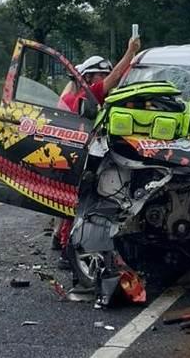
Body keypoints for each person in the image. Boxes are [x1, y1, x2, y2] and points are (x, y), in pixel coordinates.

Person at [52, 36, 142, 260]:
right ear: (88, 77)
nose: (103, 79)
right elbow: (114, 79)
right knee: (76, 204)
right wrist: (131, 52)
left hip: (79, 155)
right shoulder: (84, 96)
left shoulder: (78, 96)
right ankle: (66, 250)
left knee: (70, 204)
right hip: (77, 157)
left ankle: (60, 240)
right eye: (99, 75)